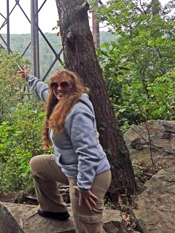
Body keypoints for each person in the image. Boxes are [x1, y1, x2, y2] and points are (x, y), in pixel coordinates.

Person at [18, 65, 111, 233]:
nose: (58, 89)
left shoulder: (77, 113)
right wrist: (28, 77)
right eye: (55, 85)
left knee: (87, 228)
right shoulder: (59, 101)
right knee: (37, 165)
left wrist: (83, 186)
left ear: (73, 87)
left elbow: (88, 153)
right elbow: (42, 91)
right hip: (70, 167)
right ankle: (54, 209)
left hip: (90, 175)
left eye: (64, 85)